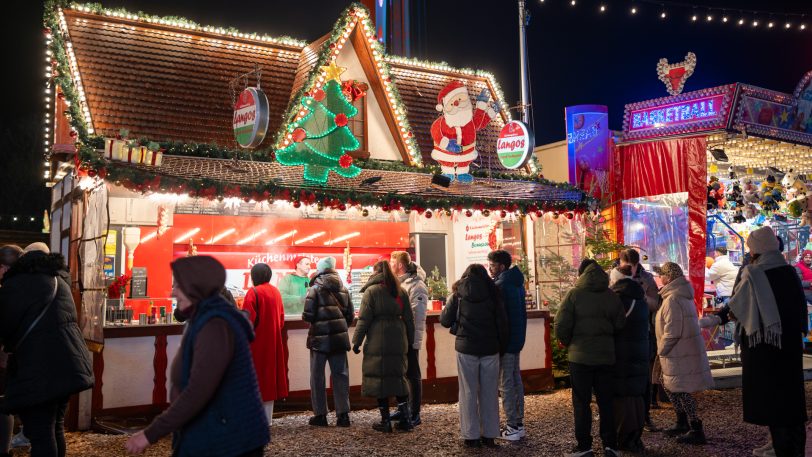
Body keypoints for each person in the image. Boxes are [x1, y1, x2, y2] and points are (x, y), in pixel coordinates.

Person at [125, 256, 269, 456]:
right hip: (215, 430)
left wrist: (151, 433)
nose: (173, 291)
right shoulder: (203, 316)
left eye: (178, 285)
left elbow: (198, 390)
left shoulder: (215, 325)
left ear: (196, 288)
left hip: (229, 438)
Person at [0, 243, 93, 457]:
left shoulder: (17, 284)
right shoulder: (57, 279)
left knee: (40, 433)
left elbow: (5, 324)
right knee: (55, 427)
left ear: (5, 267)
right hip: (69, 363)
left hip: (40, 369)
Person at [728, 226, 808, 457]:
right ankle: (794, 450)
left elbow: (737, 307)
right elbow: (800, 308)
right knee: (791, 403)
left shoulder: (753, 273)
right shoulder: (789, 271)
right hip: (789, 347)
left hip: (764, 348)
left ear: (756, 249)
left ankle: (782, 449)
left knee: (774, 405)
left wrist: (719, 316)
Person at [555, 259, 625, 457]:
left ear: (581, 274)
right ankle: (610, 445)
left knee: (581, 402)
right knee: (606, 402)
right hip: (606, 357)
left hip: (580, 358)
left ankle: (584, 447)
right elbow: (620, 323)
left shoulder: (573, 295)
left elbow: (561, 325)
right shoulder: (611, 296)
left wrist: (569, 343)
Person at [440, 264, 508, 449]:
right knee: (490, 393)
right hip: (490, 349)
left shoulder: (458, 293)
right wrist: (501, 347)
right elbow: (502, 322)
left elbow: (445, 321)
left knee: (467, 392)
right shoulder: (494, 293)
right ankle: (490, 435)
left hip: (466, 348)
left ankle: (471, 436)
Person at [653, 262, 713, 445]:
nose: (659, 277)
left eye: (662, 274)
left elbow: (673, 331)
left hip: (677, 352)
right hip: (681, 351)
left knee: (681, 389)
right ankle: (683, 421)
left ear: (669, 278)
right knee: (671, 385)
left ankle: (695, 427)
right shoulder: (681, 296)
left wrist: (661, 351)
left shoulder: (673, 299)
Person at [352, 261, 415, 433]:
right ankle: (406, 420)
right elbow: (409, 318)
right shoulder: (400, 291)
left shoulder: (371, 291)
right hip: (398, 337)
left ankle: (385, 421)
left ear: (375, 273)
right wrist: (410, 341)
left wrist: (356, 342)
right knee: (398, 376)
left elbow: (363, 320)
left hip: (377, 339)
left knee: (380, 378)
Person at [302, 257, 354, 427]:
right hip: (339, 339)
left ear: (320, 270)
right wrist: (338, 328)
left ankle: (321, 416)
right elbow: (350, 316)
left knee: (317, 377)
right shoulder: (344, 289)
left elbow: (308, 316)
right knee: (341, 375)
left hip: (319, 340)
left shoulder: (315, 289)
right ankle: (343, 416)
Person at [486, 250, 527, 442]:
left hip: (507, 340)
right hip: (517, 338)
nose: (490, 268)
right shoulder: (516, 282)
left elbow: (498, 315)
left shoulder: (502, 284)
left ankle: (512, 426)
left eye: (492, 265)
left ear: (501, 266)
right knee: (515, 379)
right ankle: (518, 423)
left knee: (506, 383)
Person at [619, 248, 662, 428]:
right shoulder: (613, 277)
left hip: (643, 332)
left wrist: (643, 297)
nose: (630, 269)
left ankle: (644, 415)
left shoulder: (647, 279)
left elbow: (655, 304)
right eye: (626, 266)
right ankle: (624, 417)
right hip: (621, 333)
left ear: (638, 265)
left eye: (633, 266)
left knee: (643, 376)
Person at [609, 265, 649, 453]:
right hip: (639, 352)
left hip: (622, 353)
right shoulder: (639, 298)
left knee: (623, 396)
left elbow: (614, 326)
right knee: (636, 395)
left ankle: (626, 437)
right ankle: (636, 437)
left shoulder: (619, 300)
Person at [243, 263, 288, 423]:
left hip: (255, 343)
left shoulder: (253, 292)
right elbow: (281, 319)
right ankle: (267, 419)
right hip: (274, 342)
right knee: (269, 378)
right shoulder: (276, 291)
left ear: (254, 276)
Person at [388, 251, 428, 426]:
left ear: (401, 265)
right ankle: (403, 408)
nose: (390, 264)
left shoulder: (416, 286)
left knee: (413, 374)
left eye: (392, 261)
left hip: (410, 336)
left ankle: (415, 412)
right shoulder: (401, 283)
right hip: (400, 336)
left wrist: (407, 334)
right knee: (402, 373)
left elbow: (415, 314)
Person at [0, 245, 23, 457]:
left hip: (7, 355)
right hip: (12, 356)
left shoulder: (9, 288)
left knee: (2, 405)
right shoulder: (24, 286)